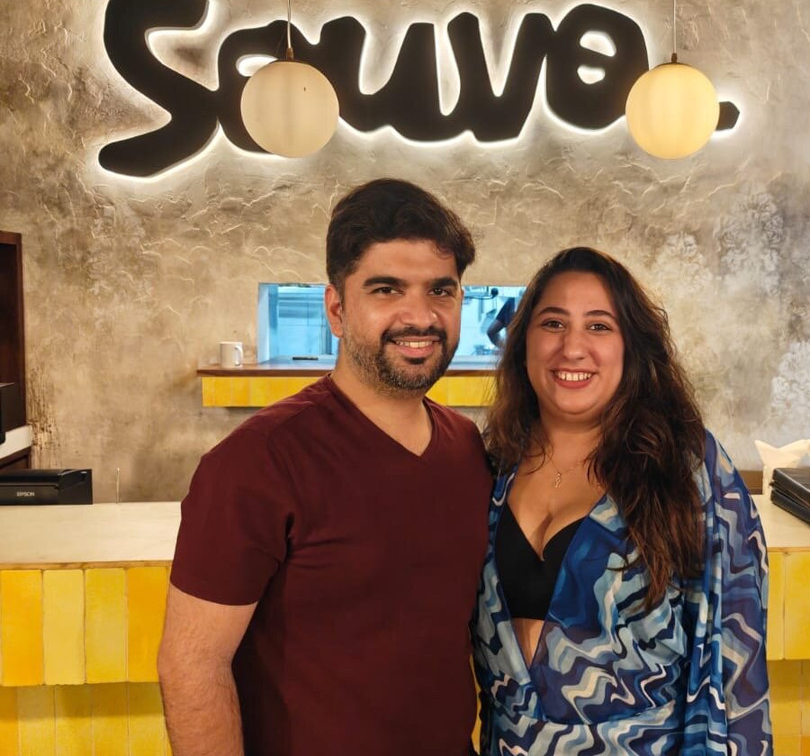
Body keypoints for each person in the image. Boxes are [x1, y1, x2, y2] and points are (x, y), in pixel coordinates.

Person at [158, 179, 492, 756]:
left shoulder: (467, 448)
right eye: (386, 289)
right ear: (337, 309)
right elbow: (192, 665)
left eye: (441, 290)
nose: (420, 316)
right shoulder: (257, 463)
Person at [472, 247, 771, 754]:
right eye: (553, 323)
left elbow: (733, 670)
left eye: (598, 326)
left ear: (631, 346)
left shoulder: (689, 469)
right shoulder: (490, 467)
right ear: (523, 343)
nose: (572, 348)